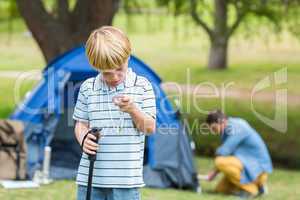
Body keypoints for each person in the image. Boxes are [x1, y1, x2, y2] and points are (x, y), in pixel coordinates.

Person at [73, 26, 156, 200]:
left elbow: (149, 128)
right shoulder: (88, 88)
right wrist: (83, 138)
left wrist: (133, 110)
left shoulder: (142, 86)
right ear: (96, 66)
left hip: (125, 182)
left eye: (119, 69)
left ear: (128, 57)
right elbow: (81, 124)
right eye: (107, 72)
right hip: (90, 178)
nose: (115, 77)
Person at [204, 110, 273, 198]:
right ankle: (259, 187)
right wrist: (214, 173)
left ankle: (251, 189)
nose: (214, 132)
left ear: (222, 122)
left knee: (219, 162)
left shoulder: (237, 127)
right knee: (221, 190)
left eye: (214, 128)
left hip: (257, 168)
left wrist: (213, 173)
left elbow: (223, 152)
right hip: (246, 164)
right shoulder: (229, 127)